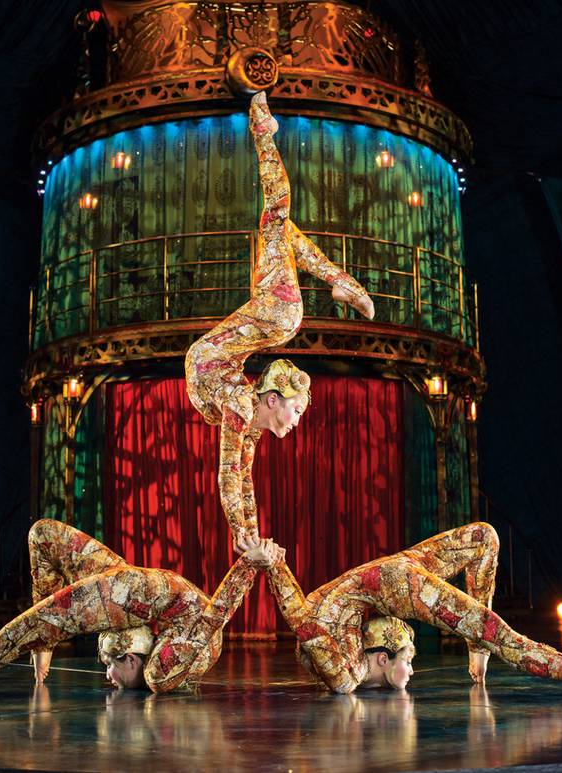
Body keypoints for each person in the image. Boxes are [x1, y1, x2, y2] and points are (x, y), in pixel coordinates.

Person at [185, 91, 375, 553]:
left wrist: (248, 534)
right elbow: (229, 476)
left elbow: (238, 476)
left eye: (298, 412)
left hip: (242, 342)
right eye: (297, 410)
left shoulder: (244, 411)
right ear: (272, 400)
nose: (297, 422)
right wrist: (241, 532)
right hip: (263, 325)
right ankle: (262, 131)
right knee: (277, 220)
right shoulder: (243, 405)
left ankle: (341, 282)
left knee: (281, 227)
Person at [0, 519, 279, 694]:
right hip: (124, 593)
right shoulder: (161, 672)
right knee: (5, 644)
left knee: (42, 533)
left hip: (141, 587)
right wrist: (249, 564)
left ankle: (43, 641)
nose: (108, 678)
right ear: (132, 658)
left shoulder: (177, 649)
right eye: (111, 667)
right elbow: (214, 615)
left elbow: (207, 619)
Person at [265, 522, 562, 694]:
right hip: (388, 572)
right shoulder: (344, 643)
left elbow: (302, 623)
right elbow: (303, 621)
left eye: (407, 660)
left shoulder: (345, 672)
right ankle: (480, 648)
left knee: (499, 636)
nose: (412, 670)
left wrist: (272, 564)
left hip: (397, 581)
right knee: (485, 537)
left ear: (382, 658)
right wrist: (272, 565)